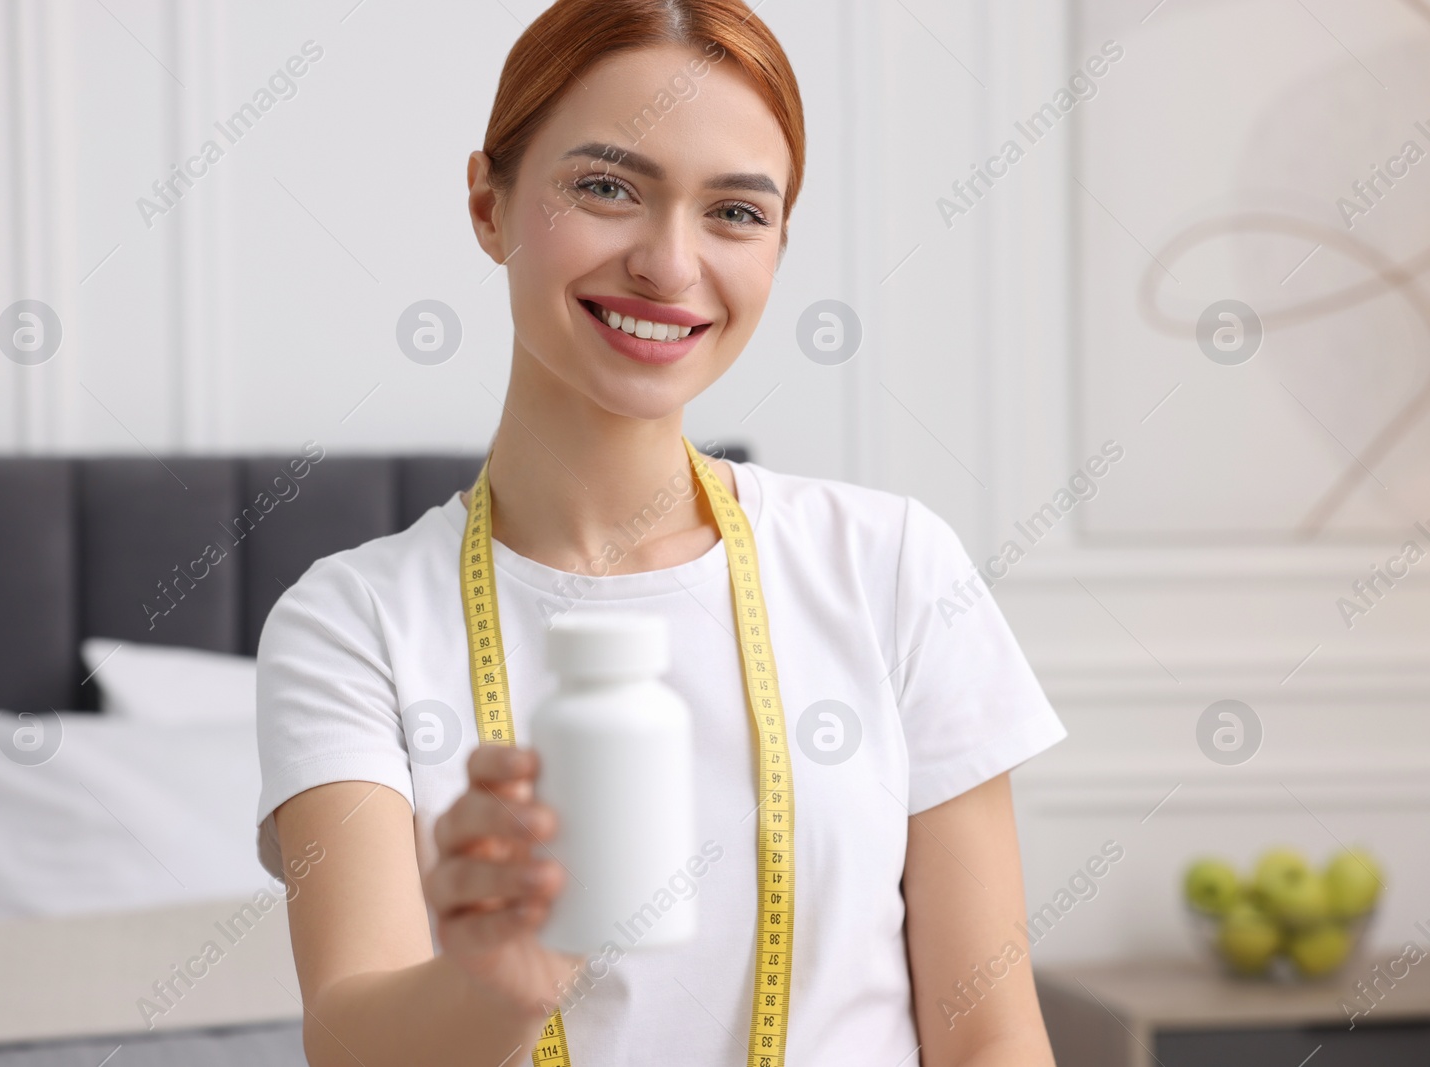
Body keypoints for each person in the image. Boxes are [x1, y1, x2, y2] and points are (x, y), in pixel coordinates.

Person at [254, 2, 1066, 1064]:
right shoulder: (353, 621)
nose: (670, 266)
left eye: (734, 212)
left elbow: (991, 1041)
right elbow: (352, 1036)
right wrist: (495, 985)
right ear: (487, 204)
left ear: (777, 244)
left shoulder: (893, 568)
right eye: (606, 187)